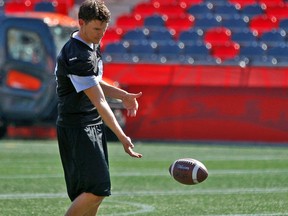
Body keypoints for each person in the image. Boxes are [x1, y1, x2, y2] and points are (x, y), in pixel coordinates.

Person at [54, 0, 143, 215]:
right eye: (96, 29)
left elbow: (94, 82)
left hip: (89, 123)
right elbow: (100, 101)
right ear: (81, 23)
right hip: (77, 127)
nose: (100, 34)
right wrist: (123, 137)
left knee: (92, 193)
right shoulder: (78, 56)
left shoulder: (89, 44)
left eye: (104, 29)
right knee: (96, 189)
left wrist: (123, 96)